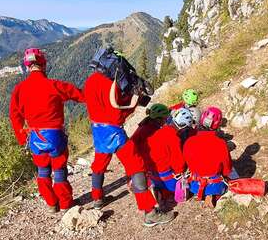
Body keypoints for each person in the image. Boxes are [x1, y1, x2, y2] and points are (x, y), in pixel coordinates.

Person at [83, 54, 174, 227]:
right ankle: (150, 213)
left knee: (99, 164)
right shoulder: (113, 84)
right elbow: (117, 113)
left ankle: (97, 198)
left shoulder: (90, 81)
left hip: (97, 130)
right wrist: (133, 104)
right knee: (136, 166)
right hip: (113, 132)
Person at [9, 48, 84, 213]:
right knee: (59, 170)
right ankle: (65, 204)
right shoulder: (55, 85)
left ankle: (51, 203)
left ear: (28, 67)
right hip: (55, 136)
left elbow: (15, 117)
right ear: (43, 65)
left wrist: (23, 138)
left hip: (35, 137)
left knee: (43, 171)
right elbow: (80, 95)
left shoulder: (19, 90)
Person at [183, 106, 232, 208]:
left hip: (194, 185)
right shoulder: (221, 144)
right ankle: (210, 193)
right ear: (217, 124)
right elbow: (227, 170)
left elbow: (187, 163)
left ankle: (204, 193)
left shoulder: (189, 142)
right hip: (216, 185)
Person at [145, 108, 192, 206]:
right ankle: (165, 192)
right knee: (189, 184)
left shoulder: (158, 132)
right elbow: (178, 163)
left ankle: (158, 190)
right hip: (165, 175)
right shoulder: (174, 138)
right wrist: (183, 171)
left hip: (152, 173)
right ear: (183, 126)